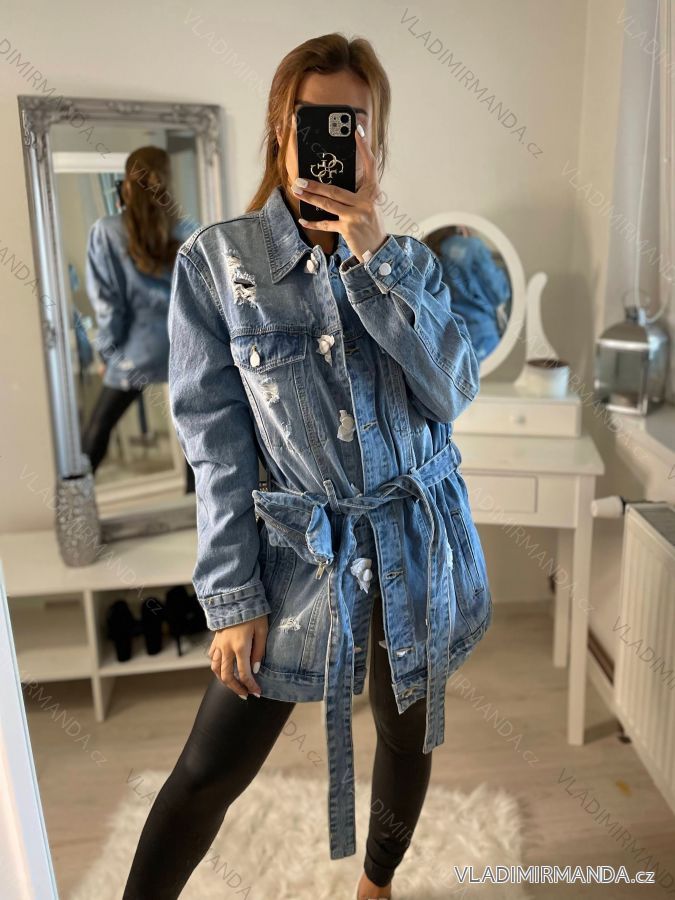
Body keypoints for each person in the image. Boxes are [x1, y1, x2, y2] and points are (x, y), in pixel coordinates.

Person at [123, 33, 492, 900]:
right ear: (280, 130)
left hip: (415, 538)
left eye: (352, 122)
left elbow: (452, 393)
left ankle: (376, 886)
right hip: (299, 555)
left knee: (406, 733)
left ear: (374, 139)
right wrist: (233, 596)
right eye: (313, 118)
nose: (332, 138)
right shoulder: (217, 266)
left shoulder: (411, 263)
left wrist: (374, 258)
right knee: (209, 769)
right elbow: (215, 444)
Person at [81, 145, 196, 490]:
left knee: (100, 426)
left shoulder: (107, 231)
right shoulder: (188, 229)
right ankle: (198, 509)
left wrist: (107, 350)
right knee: (194, 434)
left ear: (127, 184)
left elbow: (109, 304)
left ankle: (74, 506)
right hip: (184, 347)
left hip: (135, 347)